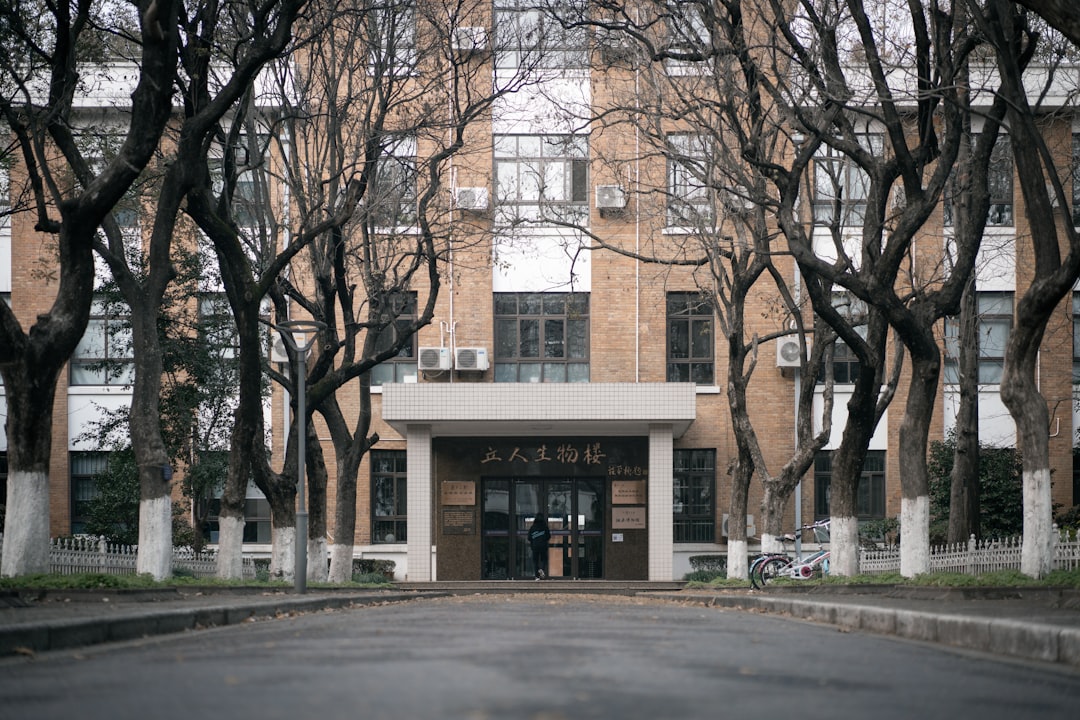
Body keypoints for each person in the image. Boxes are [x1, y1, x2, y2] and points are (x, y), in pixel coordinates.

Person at [528, 512, 551, 580]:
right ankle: (542, 569)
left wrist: (534, 540)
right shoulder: (545, 527)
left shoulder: (532, 527)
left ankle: (537, 576)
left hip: (535, 546)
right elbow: (548, 536)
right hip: (543, 546)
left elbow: (529, 538)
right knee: (544, 559)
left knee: (535, 561)